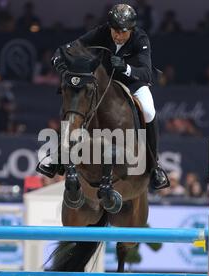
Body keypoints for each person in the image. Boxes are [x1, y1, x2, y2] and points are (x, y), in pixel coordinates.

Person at [36, 3, 169, 190]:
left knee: (148, 111)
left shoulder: (140, 38)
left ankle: (155, 165)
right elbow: (74, 45)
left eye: (123, 32)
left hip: (133, 83)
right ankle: (59, 157)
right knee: (77, 103)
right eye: (115, 30)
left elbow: (146, 73)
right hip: (104, 81)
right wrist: (59, 55)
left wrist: (125, 68)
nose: (118, 35)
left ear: (131, 29)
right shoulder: (103, 32)